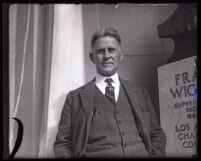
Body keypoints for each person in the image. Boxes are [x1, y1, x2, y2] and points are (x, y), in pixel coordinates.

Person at [53, 27, 166, 158]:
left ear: (121, 55)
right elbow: (63, 144)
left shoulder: (140, 93)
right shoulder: (74, 98)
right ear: (92, 57)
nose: (107, 56)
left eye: (111, 50)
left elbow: (156, 134)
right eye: (101, 51)